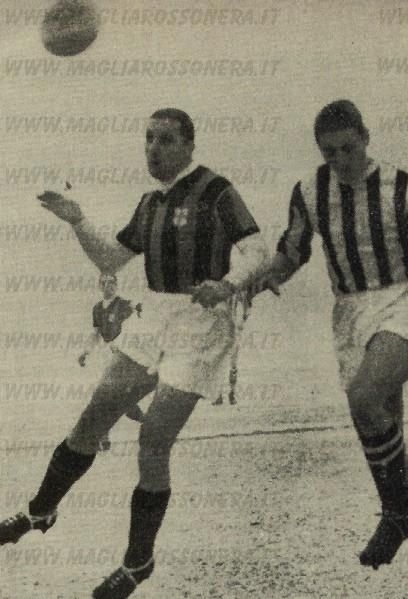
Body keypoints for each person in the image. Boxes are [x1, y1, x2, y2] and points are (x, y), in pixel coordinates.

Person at [0, 108, 269, 599]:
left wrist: (228, 284)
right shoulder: (150, 202)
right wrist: (77, 220)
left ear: (189, 145)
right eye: (148, 138)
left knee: (154, 440)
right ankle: (40, 511)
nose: (153, 148)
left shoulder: (216, 191)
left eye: (165, 140)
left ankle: (137, 561)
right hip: (155, 317)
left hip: (201, 324)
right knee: (92, 419)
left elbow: (257, 251)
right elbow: (110, 258)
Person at [258, 100, 408, 597]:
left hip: (402, 304)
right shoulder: (310, 191)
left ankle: (396, 517)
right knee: (390, 448)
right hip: (348, 315)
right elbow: (292, 251)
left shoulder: (402, 186)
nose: (341, 160)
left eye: (349, 148)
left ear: (366, 137)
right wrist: (262, 277)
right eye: (330, 153)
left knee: (364, 398)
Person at [79, 272, 146, 451]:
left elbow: (139, 308)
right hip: (106, 353)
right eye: (104, 283)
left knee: (116, 397)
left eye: (111, 283)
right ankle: (105, 436)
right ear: (99, 286)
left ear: (116, 285)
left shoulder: (122, 304)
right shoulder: (97, 308)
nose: (108, 286)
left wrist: (141, 310)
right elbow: (95, 333)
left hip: (122, 353)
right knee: (109, 396)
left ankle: (148, 423)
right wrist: (86, 351)